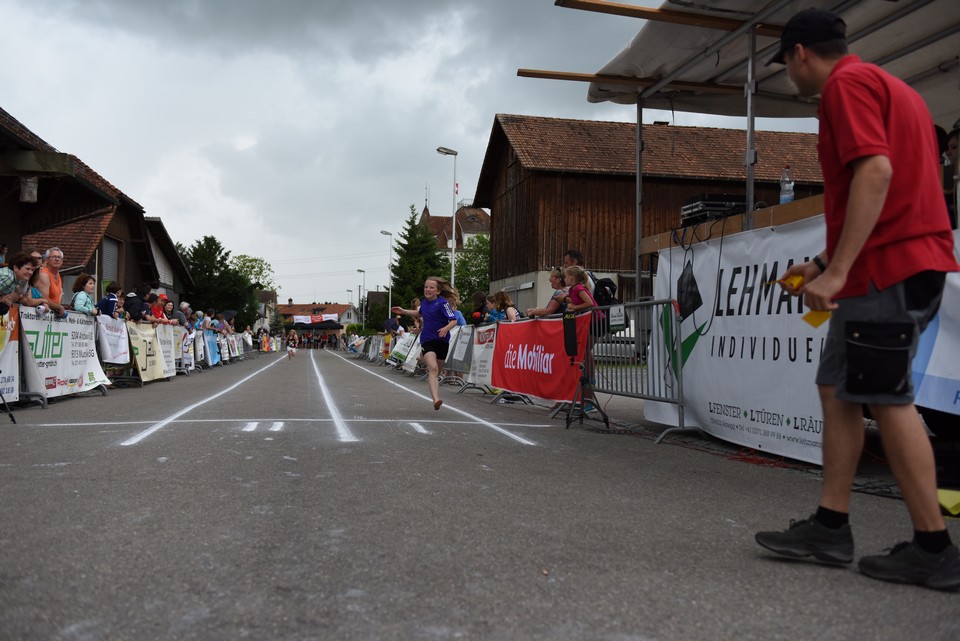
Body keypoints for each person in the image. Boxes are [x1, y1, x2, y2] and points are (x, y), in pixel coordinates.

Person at [755, 8, 960, 591]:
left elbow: (875, 172)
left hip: (887, 270)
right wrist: (824, 263)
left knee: (887, 398)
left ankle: (934, 548)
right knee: (838, 387)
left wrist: (838, 270)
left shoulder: (844, 87)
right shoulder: (892, 88)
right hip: (887, 267)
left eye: (786, 64)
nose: (790, 75)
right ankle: (830, 525)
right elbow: (887, 190)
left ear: (799, 53)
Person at [392, 276, 458, 410]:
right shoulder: (424, 303)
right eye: (426, 287)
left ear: (438, 291)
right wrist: (403, 311)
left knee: (437, 372)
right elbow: (419, 312)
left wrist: (445, 328)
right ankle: (436, 400)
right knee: (433, 368)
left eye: (431, 287)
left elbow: (454, 321)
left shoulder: (442, 304)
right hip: (427, 339)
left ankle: (422, 357)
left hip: (442, 341)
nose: (427, 289)